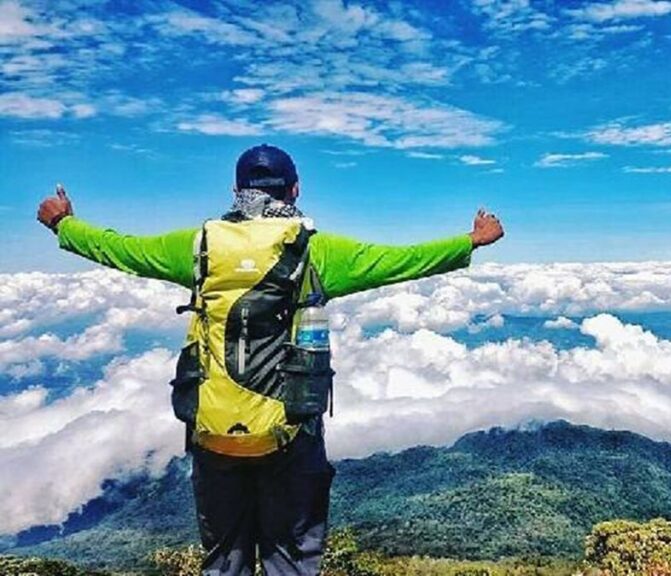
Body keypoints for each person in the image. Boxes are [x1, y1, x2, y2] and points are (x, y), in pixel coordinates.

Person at [35, 144, 505, 576]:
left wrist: (65, 225)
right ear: (295, 190)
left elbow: (121, 249)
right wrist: (472, 240)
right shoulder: (314, 250)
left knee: (224, 560)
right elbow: (403, 260)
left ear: (236, 191)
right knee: (291, 558)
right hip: (290, 432)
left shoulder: (198, 246)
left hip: (213, 432)